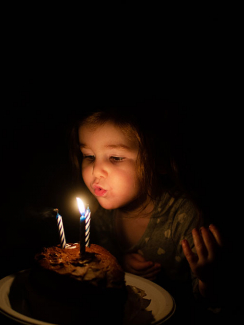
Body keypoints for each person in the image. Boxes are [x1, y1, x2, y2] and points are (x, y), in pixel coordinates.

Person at [68, 106, 224, 308]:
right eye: (89, 156)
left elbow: (210, 301)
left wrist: (209, 279)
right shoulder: (99, 213)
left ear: (158, 160)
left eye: (116, 158)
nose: (96, 171)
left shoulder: (184, 216)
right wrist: (120, 263)